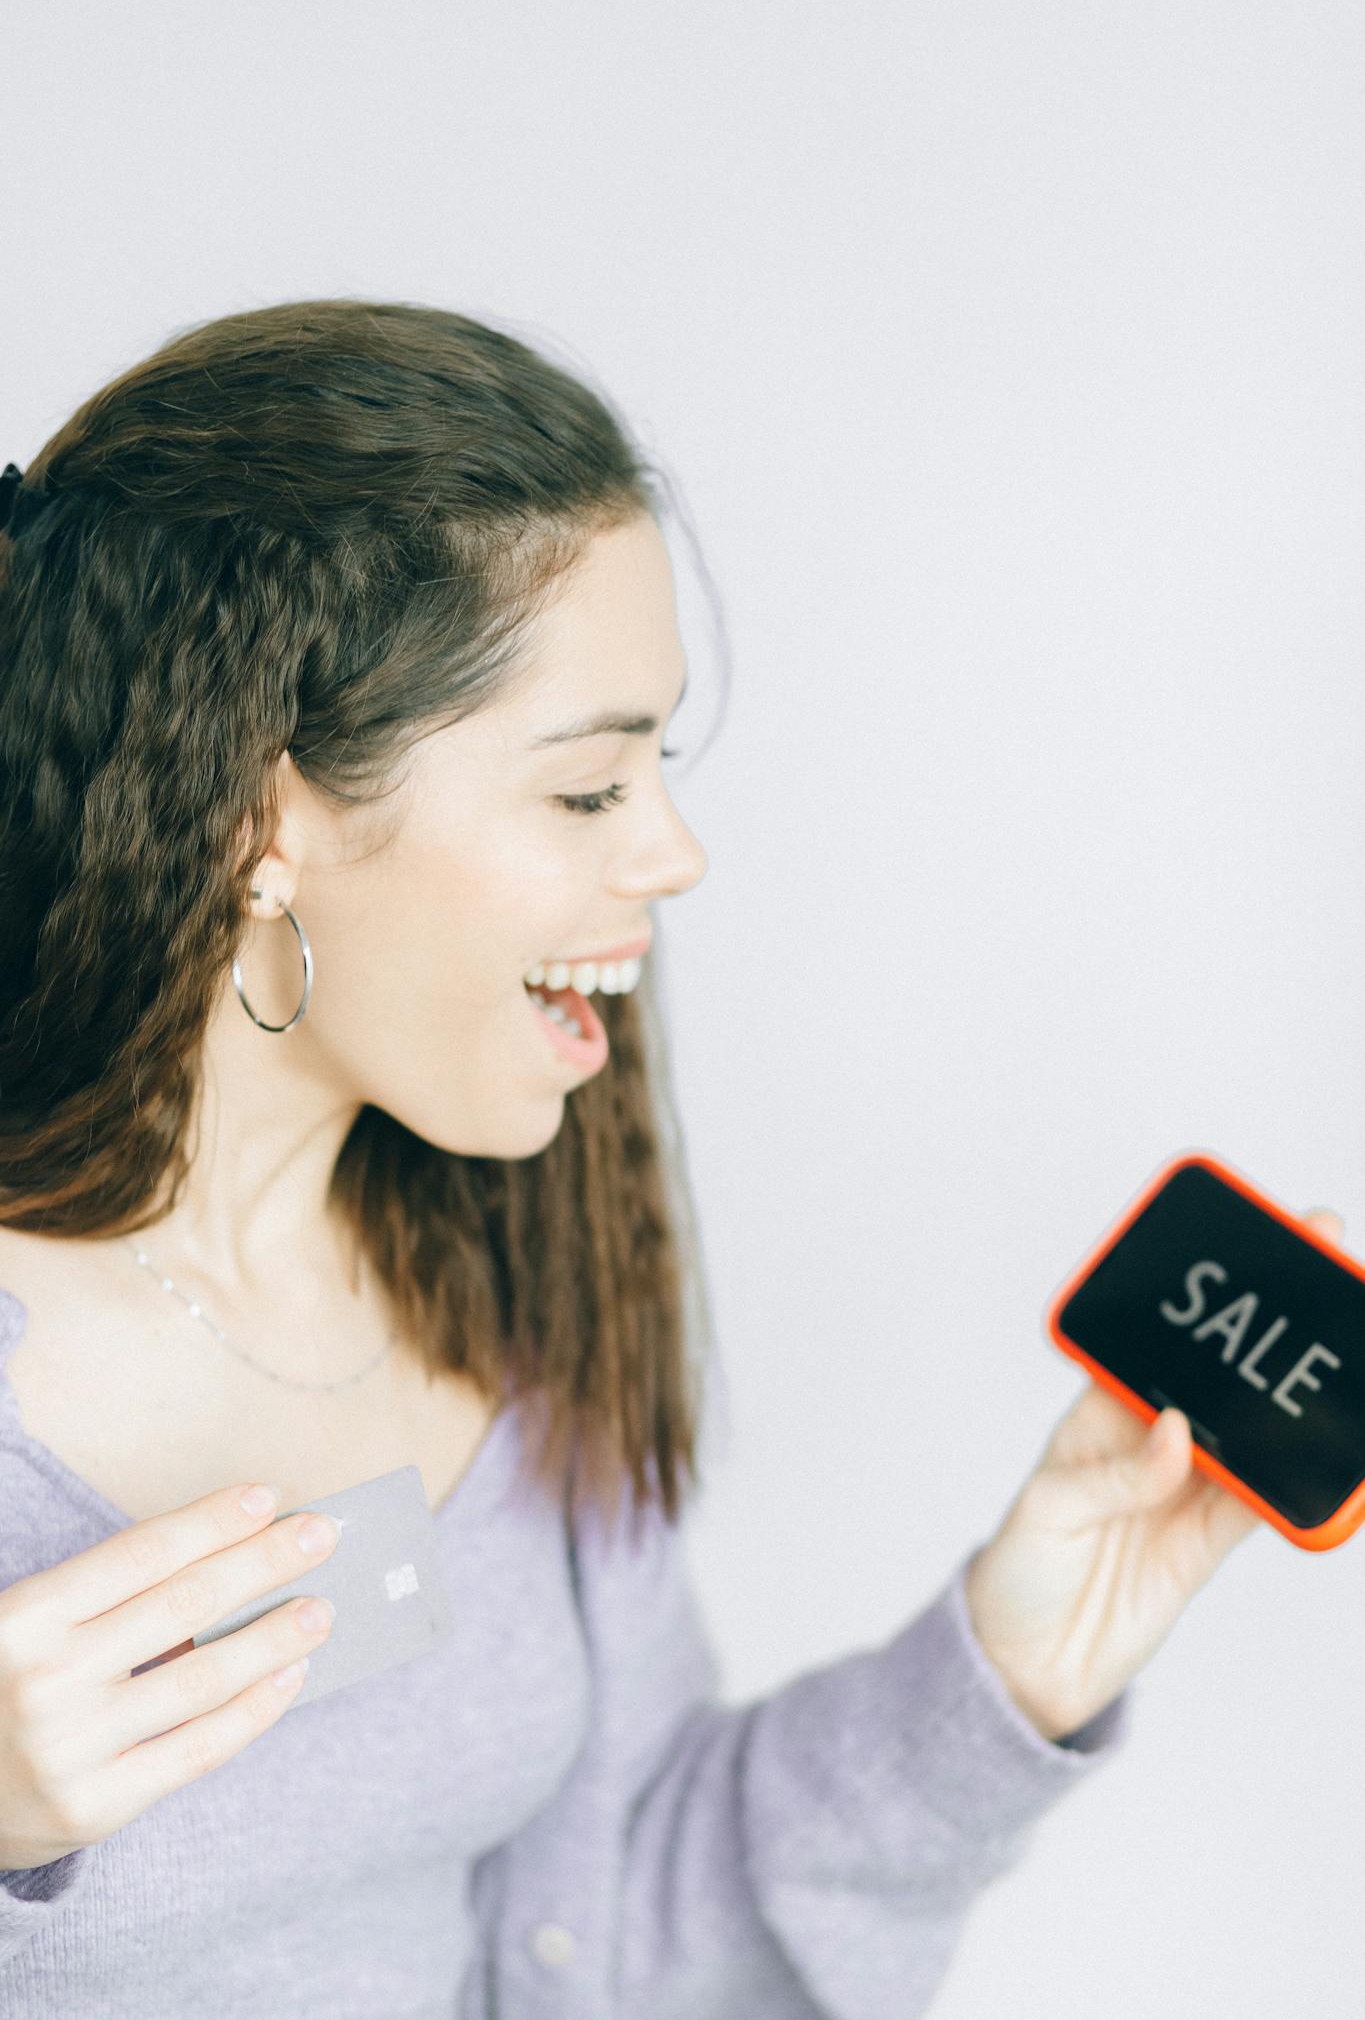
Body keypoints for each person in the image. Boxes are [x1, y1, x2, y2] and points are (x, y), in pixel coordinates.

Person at [0, 298, 1343, 2019]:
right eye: (585, 793)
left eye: (665, 769)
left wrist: (1013, 1655)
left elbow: (601, 1932)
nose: (677, 854)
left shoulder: (488, 1291)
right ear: (271, 820)